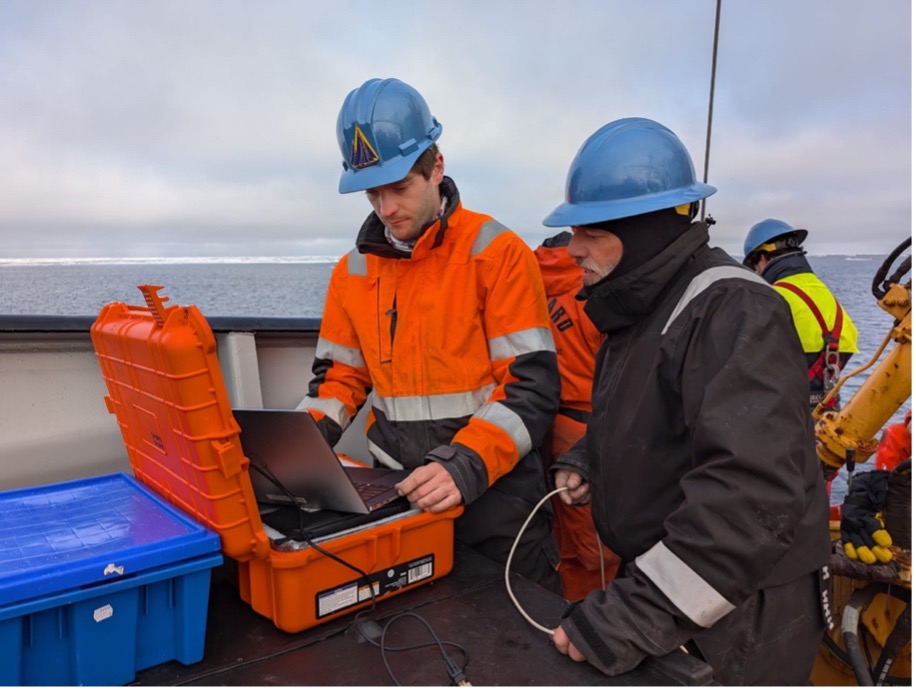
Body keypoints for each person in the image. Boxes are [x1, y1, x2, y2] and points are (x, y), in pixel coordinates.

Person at [543, 118, 831, 685]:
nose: (573, 249)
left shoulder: (733, 308)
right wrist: (587, 463)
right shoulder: (637, 305)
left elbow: (750, 498)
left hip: (743, 610)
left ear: (646, 230)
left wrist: (630, 617)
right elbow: (650, 422)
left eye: (591, 232)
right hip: (677, 584)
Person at [298, 78, 561, 592]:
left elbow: (531, 389)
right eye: (373, 192)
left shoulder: (499, 253)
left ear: (436, 167)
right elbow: (339, 382)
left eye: (399, 188)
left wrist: (463, 467)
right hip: (398, 497)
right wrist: (290, 453)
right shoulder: (349, 272)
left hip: (497, 504)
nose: (385, 207)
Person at [534, 232, 619, 600]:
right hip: (589, 433)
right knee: (596, 547)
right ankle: (593, 616)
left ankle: (560, 608)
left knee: (558, 532)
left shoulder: (527, 290)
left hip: (542, 428)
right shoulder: (598, 296)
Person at [742, 219, 859, 411]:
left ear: (762, 258)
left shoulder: (773, 297)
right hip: (828, 407)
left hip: (786, 412)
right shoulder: (824, 292)